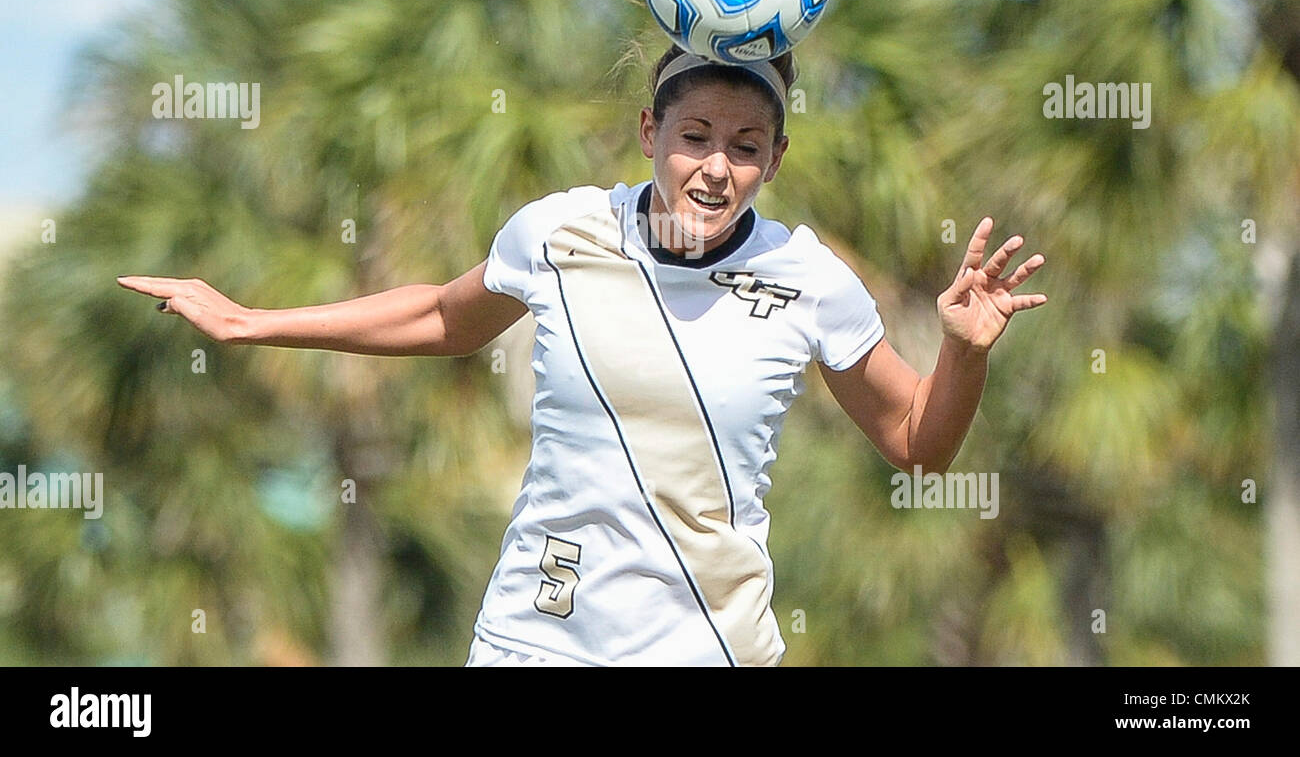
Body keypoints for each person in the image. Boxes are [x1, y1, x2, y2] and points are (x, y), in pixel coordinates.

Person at [117, 43, 1047, 667]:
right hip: (536, 637)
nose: (715, 167)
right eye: (694, 138)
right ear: (651, 134)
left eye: (746, 146)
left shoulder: (809, 280)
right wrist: (251, 321)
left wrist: (964, 355)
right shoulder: (561, 230)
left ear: (777, 158)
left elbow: (918, 444)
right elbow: (441, 318)